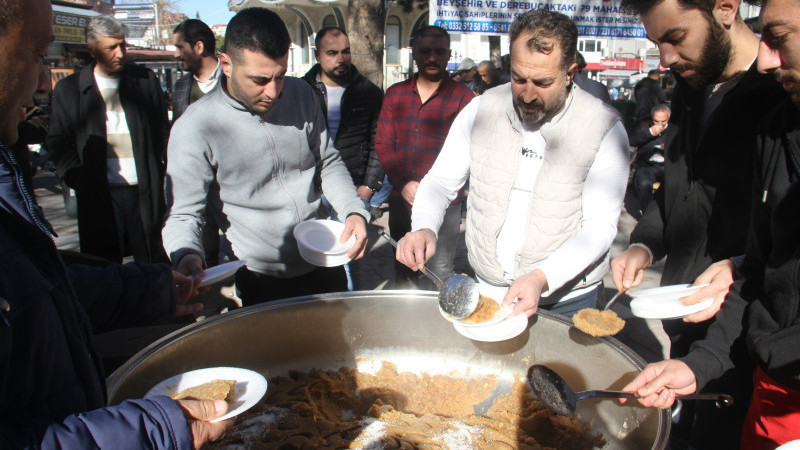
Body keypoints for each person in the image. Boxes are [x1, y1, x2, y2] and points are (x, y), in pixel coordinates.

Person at [0, 0, 231, 446]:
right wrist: (155, 430)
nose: (44, 79)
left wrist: (151, 288)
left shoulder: (143, 84)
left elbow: (44, 293)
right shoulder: (72, 95)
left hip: (142, 196)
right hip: (100, 200)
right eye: (36, 53)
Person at [621, 1, 800, 446]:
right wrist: (644, 243)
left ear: (725, 9)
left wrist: (737, 266)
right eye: (656, 43)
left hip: (748, 336)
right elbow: (679, 186)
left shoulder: (778, 97)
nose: (665, 59)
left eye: (676, 38)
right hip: (696, 315)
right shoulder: (691, 85)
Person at [395, 9, 630, 318]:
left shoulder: (604, 127)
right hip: (488, 289)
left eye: (543, 82)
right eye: (519, 78)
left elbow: (599, 227)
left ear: (570, 72)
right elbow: (440, 181)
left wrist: (540, 277)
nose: (528, 95)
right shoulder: (483, 109)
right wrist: (424, 227)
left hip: (565, 299)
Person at [163, 8, 369, 306]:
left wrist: (352, 210)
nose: (273, 91)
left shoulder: (301, 94)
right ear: (226, 64)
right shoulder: (194, 127)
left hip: (324, 259)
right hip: (261, 277)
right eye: (259, 80)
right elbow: (183, 213)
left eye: (281, 76)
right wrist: (186, 254)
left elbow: (328, 161)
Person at [47, 15, 169, 264]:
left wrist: (162, 168)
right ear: (91, 50)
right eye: (111, 47)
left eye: (122, 45)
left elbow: (162, 132)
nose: (120, 53)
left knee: (152, 261)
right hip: (99, 195)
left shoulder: (144, 82)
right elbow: (59, 141)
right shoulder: (70, 90)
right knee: (104, 267)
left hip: (144, 191)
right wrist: (78, 178)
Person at [375, 26, 475, 289]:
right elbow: (384, 143)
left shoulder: (464, 99)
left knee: (440, 268)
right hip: (402, 198)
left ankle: (437, 323)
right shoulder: (395, 94)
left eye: (439, 51)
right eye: (425, 51)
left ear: (448, 54)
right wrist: (403, 183)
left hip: (446, 202)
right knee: (405, 263)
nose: (432, 57)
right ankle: (407, 322)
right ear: (415, 54)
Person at [301, 26, 384, 290]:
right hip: (309, 190)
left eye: (346, 51)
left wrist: (369, 186)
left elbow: (378, 144)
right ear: (317, 55)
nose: (341, 58)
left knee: (351, 256)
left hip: (351, 188)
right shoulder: (301, 92)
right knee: (313, 258)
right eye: (332, 52)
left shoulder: (368, 92)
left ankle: (350, 311)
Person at [171, 19, 224, 268]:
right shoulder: (181, 87)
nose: (175, 54)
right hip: (198, 185)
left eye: (179, 47)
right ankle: (210, 306)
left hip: (232, 185)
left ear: (199, 46)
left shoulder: (234, 79)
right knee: (204, 251)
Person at [627, 104, 674, 218]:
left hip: (666, 167)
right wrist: (651, 133)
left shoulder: (673, 130)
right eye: (656, 121)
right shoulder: (644, 128)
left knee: (674, 184)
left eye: (663, 121)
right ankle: (646, 215)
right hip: (647, 166)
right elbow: (632, 140)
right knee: (644, 183)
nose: (660, 124)